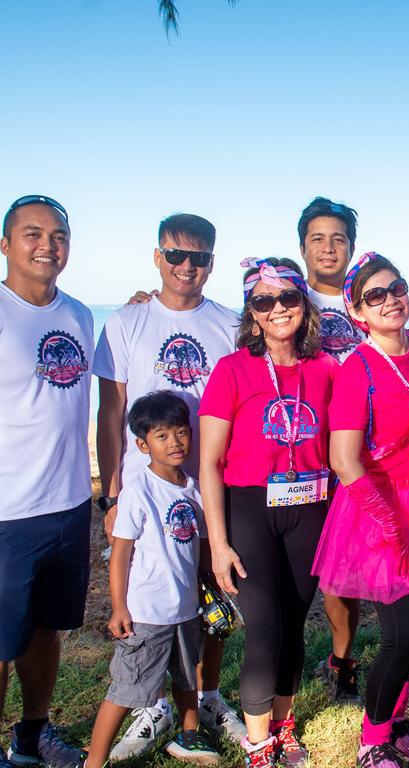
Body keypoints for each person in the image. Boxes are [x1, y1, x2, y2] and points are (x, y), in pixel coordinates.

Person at [93, 213, 245, 758]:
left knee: (208, 596)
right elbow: (110, 413)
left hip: (210, 488)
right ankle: (152, 704)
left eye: (199, 257)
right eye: (176, 255)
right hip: (146, 492)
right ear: (156, 256)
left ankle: (205, 695)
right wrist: (111, 494)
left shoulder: (229, 325)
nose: (187, 266)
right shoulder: (125, 322)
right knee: (148, 596)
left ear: (211, 262)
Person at [199, 257, 338, 768]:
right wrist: (218, 542)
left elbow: (347, 443)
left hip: (311, 506)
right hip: (251, 508)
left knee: (295, 622)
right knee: (264, 627)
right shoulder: (233, 369)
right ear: (251, 313)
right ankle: (258, 742)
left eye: (288, 298)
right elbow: (210, 463)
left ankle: (284, 724)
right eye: (263, 301)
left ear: (304, 304)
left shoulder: (326, 368)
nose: (278, 309)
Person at [312, 253, 409, 768]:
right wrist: (387, 520)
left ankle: (394, 722)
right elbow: (343, 459)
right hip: (378, 509)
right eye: (375, 295)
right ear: (356, 311)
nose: (390, 299)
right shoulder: (357, 368)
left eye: (397, 288)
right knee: (401, 632)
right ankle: (372, 742)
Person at [0, 195, 91, 768]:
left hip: (69, 503)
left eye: (58, 235)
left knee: (45, 630)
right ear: (5, 244)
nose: (47, 244)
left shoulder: (80, 313)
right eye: (32, 233)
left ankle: (32, 736)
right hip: (7, 510)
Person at [83, 391, 220, 768]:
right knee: (127, 689)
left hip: (186, 607)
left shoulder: (194, 487)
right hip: (146, 613)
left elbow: (203, 546)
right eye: (162, 436)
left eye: (181, 432)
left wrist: (209, 588)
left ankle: (188, 736)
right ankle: (94, 760)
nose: (175, 442)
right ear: (143, 444)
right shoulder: (137, 491)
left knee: (187, 677)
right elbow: (121, 553)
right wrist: (119, 607)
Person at [296, 196, 365, 703]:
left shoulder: (369, 299)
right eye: (317, 238)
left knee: (348, 568)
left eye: (338, 238)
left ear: (352, 247)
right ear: (302, 247)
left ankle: (342, 657)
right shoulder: (284, 302)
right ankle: (284, 658)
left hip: (363, 456)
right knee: (303, 570)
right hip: (304, 458)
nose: (328, 247)